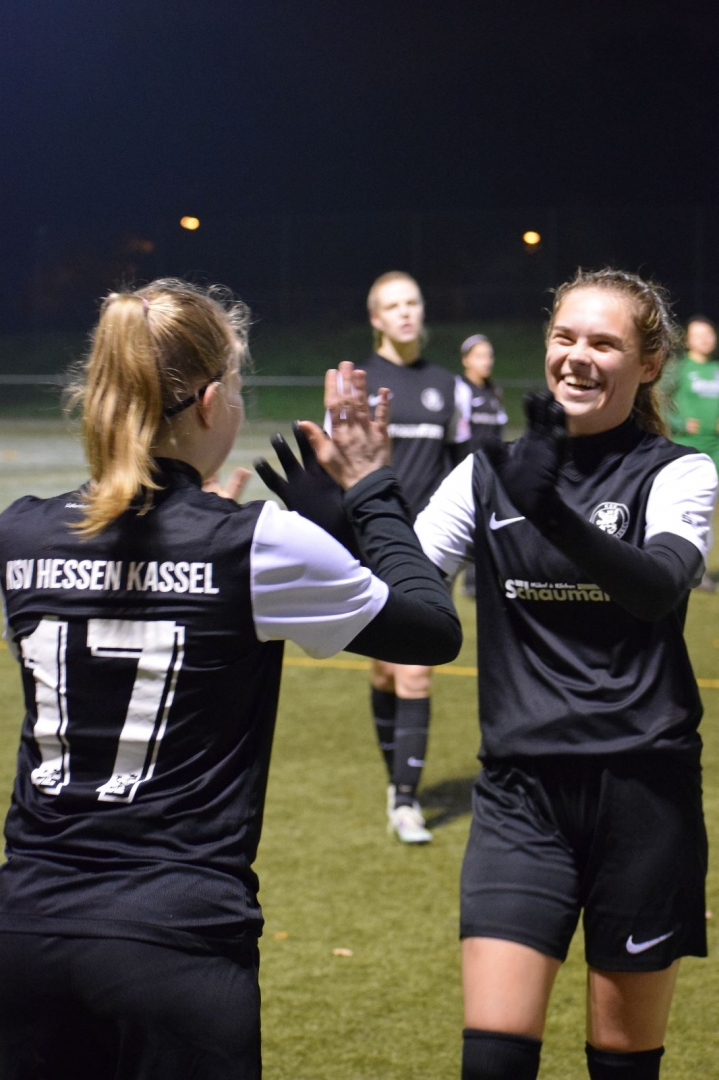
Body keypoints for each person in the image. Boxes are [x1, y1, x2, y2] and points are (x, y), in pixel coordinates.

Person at [0, 279, 461, 1080]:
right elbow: (430, 627)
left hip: (25, 937)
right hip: (175, 944)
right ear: (211, 402)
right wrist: (368, 494)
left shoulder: (20, 531)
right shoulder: (253, 544)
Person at [411, 269, 718, 1079]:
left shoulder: (677, 471)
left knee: (622, 1064)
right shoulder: (486, 473)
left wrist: (548, 512)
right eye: (564, 337)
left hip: (643, 797)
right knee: (492, 1061)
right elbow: (402, 591)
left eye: (603, 343)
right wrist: (356, 503)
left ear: (647, 365)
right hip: (522, 796)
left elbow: (656, 587)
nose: (577, 356)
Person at [353, 271, 468, 843]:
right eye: (393, 305)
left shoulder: (449, 388)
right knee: (384, 671)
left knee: (415, 671)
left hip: (432, 552)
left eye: (412, 303)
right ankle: (396, 782)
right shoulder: (357, 385)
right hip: (373, 546)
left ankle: (404, 800)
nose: (405, 313)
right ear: (376, 318)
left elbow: (467, 470)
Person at [667, 315, 719, 590]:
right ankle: (685, 567)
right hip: (688, 450)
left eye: (709, 333)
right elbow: (656, 398)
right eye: (698, 335)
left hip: (717, 450)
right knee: (688, 512)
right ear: (687, 341)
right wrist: (678, 422)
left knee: (708, 514)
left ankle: (701, 571)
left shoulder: (717, 369)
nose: (705, 339)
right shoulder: (679, 368)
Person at [454, 333, 507, 597]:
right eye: (479, 356)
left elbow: (499, 435)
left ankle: (479, 581)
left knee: (488, 527)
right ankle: (464, 580)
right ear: (466, 360)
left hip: (490, 474)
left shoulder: (494, 392)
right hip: (466, 473)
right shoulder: (460, 390)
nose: (486, 361)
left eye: (489, 356)